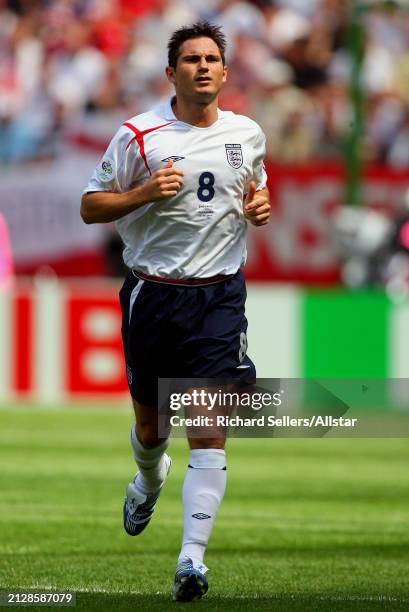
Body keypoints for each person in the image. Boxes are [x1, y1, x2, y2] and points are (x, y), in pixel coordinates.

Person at [81, 21, 270, 602]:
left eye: (212, 58)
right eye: (191, 59)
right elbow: (91, 206)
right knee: (149, 428)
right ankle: (147, 477)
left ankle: (191, 561)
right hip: (153, 297)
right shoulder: (139, 136)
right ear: (172, 73)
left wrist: (262, 206)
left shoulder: (248, 133)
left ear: (225, 71)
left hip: (217, 298)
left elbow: (256, 189)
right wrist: (142, 194)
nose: (203, 67)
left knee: (208, 428)